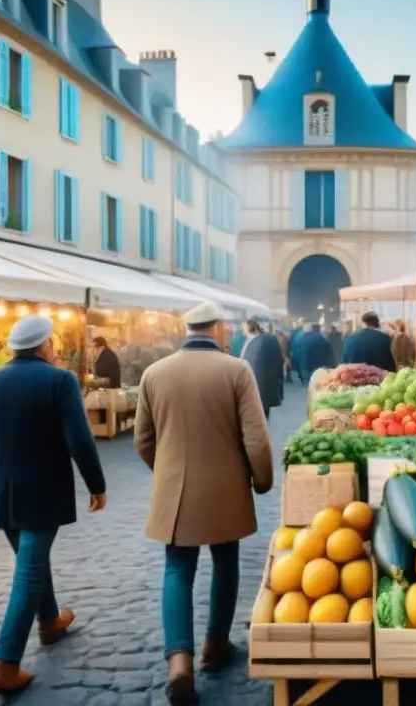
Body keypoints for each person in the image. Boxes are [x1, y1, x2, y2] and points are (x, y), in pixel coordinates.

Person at [133, 300, 273, 705]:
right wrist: (261, 481)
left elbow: (144, 440)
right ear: (219, 329)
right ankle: (215, 645)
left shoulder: (154, 373)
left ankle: (179, 662)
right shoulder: (236, 370)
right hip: (225, 486)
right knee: (225, 561)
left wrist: (166, 473)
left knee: (177, 568)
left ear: (187, 329)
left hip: (174, 490)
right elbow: (256, 438)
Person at [0, 315, 108, 695]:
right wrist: (97, 485)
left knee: (31, 559)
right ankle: (5, 663)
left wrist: (1, 470)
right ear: (45, 346)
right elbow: (79, 439)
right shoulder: (59, 380)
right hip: (43, 489)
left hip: (4, 492)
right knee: (28, 571)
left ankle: (49, 621)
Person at [242, 318, 285, 420]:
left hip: (259, 384)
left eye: (244, 327)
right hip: (248, 382)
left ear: (250, 327)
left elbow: (277, 360)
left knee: (261, 412)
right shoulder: (249, 341)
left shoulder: (265, 340)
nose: (243, 330)